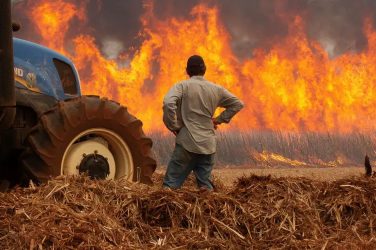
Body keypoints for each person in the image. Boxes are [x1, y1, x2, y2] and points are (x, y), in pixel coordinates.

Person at [162, 55, 244, 191]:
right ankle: (208, 210)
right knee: (205, 189)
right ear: (204, 69)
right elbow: (238, 104)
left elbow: (168, 103)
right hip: (208, 145)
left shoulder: (182, 86)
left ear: (187, 70)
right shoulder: (216, 89)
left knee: (169, 188)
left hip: (187, 143)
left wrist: (173, 126)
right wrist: (218, 119)